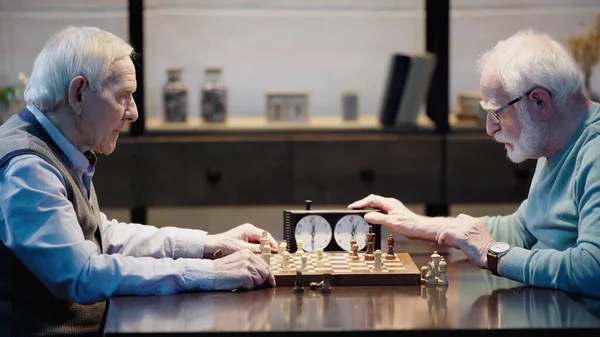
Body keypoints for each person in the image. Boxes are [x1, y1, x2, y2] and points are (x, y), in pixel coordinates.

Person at [0, 26, 276, 336]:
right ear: (78, 94)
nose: (133, 112)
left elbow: (102, 235)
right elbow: (82, 274)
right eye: (123, 96)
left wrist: (208, 243)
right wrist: (210, 271)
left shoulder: (57, 145)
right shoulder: (28, 169)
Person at [350, 29, 600, 300]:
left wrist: (493, 254)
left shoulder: (594, 152)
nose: (490, 129)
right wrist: (416, 224)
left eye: (497, 113)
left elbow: (593, 271)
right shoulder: (555, 142)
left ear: (539, 101)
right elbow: (523, 229)